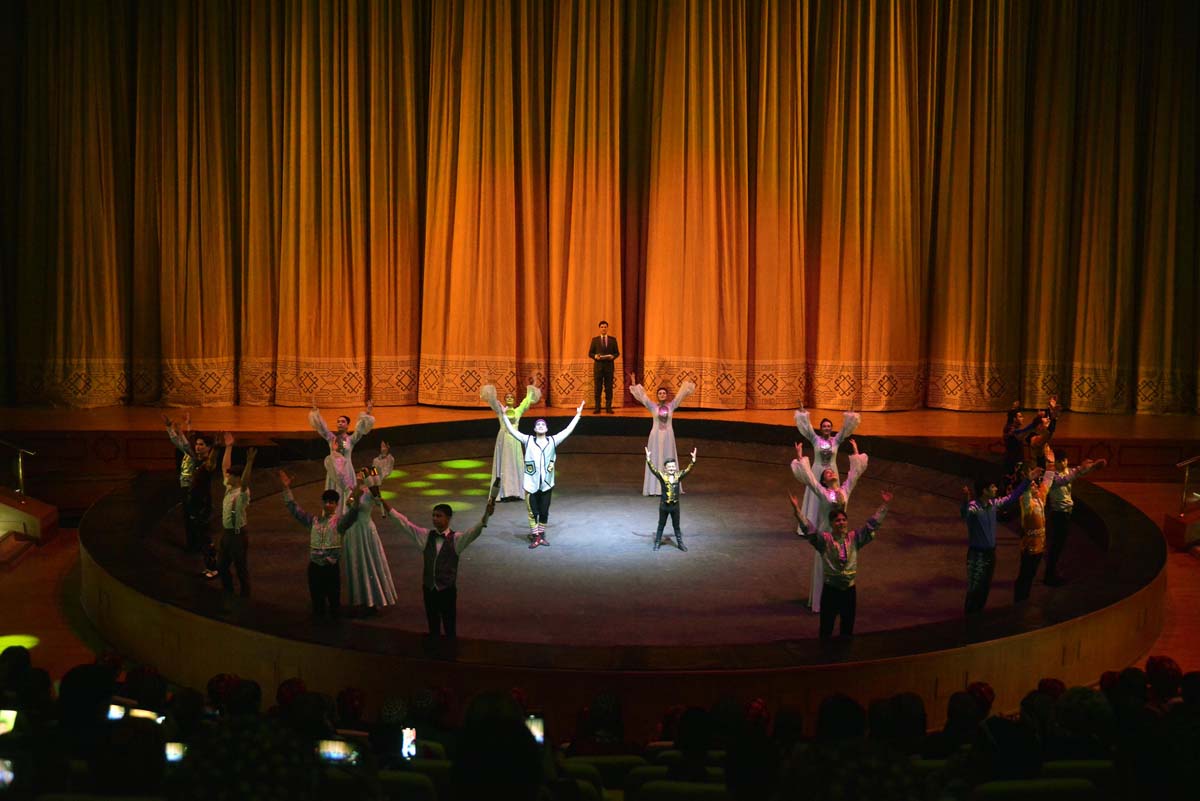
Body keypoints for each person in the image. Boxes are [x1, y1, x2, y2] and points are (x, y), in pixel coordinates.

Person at [380, 498, 497, 638]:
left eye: (439, 516)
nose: (435, 519)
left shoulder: (456, 539)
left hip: (447, 590)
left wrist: (486, 516)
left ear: (448, 518)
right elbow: (405, 525)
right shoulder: (426, 536)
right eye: (433, 515)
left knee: (449, 625)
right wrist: (388, 508)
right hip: (429, 589)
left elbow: (474, 532)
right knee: (432, 624)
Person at [790, 489, 893, 639]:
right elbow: (809, 529)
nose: (842, 522)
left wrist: (885, 505)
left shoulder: (854, 538)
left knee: (847, 626)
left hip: (849, 591)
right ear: (831, 524)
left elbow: (872, 525)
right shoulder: (824, 540)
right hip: (831, 590)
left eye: (844, 520)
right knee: (826, 626)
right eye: (838, 520)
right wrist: (797, 510)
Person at [794, 409, 861, 612]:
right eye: (823, 426)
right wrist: (803, 415)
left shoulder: (836, 441)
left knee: (835, 503)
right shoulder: (815, 440)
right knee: (820, 501)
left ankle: (835, 598)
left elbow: (854, 476)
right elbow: (805, 429)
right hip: (817, 474)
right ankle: (822, 601)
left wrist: (856, 450)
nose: (826, 428)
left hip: (830, 482)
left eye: (828, 426)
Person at [500, 401, 585, 548]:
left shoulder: (553, 441)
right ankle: (536, 536)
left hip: (546, 484)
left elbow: (567, 430)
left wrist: (578, 415)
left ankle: (540, 534)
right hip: (531, 484)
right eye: (537, 425)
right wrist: (503, 415)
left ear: (546, 429)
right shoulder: (528, 440)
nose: (540, 426)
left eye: (542, 425)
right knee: (533, 512)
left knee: (544, 511)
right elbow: (512, 431)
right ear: (534, 429)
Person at [279, 470, 362, 618]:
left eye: (331, 502)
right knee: (317, 604)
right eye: (326, 502)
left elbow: (353, 514)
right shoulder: (314, 521)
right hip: (315, 568)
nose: (328, 505)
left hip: (331, 569)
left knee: (334, 604)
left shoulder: (339, 523)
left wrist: (356, 498)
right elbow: (294, 509)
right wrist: (286, 488)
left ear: (336, 505)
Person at [960, 473, 1028, 614]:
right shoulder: (974, 507)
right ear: (984, 490)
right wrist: (965, 501)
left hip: (990, 554)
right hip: (977, 557)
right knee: (974, 591)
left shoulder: (993, 504)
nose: (996, 489)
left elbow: (1012, 498)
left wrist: (1028, 480)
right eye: (993, 487)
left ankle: (976, 621)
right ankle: (968, 623)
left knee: (984, 589)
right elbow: (965, 514)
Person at [1043, 449, 1106, 585]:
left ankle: (1052, 572)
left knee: (1059, 545)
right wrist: (1079, 469)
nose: (1064, 464)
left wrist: (1094, 466)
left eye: (1065, 460)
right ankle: (1050, 575)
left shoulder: (1066, 471)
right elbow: (1064, 480)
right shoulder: (1050, 475)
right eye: (1060, 461)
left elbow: (1078, 472)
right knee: (1056, 546)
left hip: (1065, 513)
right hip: (1058, 514)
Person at [341, 467, 398, 617]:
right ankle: (360, 599)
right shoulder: (352, 490)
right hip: (354, 531)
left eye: (362, 474)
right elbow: (350, 503)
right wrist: (357, 487)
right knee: (357, 562)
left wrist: (371, 487)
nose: (359, 476)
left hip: (366, 531)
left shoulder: (371, 493)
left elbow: (379, 503)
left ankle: (374, 598)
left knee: (370, 561)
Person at [629, 374, 695, 495]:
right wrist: (633, 382)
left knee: (668, 458)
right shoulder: (652, 406)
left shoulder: (672, 405)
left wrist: (687, 382)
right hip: (655, 436)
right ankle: (655, 488)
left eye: (664, 393)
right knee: (655, 458)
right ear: (657, 396)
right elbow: (642, 397)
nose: (662, 395)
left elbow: (681, 395)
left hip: (668, 436)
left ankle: (670, 486)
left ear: (666, 395)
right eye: (660, 393)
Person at [309, 401, 375, 512]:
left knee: (347, 490)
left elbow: (360, 430)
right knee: (333, 490)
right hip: (334, 470)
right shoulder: (331, 438)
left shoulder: (351, 439)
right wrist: (315, 411)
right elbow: (321, 428)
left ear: (347, 425)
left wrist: (367, 412)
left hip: (347, 470)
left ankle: (346, 514)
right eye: (338, 421)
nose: (340, 423)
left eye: (343, 421)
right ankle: (332, 515)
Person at [481, 382, 542, 501]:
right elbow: (493, 402)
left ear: (514, 400)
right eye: (507, 397)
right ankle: (503, 491)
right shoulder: (501, 411)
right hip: (503, 439)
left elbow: (525, 402)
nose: (509, 398)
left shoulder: (518, 411)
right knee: (504, 464)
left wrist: (530, 392)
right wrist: (490, 392)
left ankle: (516, 491)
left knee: (516, 463)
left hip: (514, 439)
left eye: (511, 397)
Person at [218, 433, 257, 597]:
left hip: (238, 535)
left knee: (241, 567)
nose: (228, 476)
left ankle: (245, 595)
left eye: (232, 475)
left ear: (238, 478)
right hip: (226, 534)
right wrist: (229, 447)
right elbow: (224, 467)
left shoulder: (242, 493)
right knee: (221, 566)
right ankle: (228, 590)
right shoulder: (229, 487)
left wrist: (249, 463)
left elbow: (245, 481)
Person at [646, 446, 697, 551]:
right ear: (665, 468)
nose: (671, 468)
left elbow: (688, 470)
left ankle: (680, 544)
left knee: (676, 526)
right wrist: (648, 459)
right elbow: (653, 470)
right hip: (664, 506)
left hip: (675, 506)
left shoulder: (678, 476)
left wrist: (693, 461)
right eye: (669, 467)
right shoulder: (662, 476)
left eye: (673, 466)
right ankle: (657, 542)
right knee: (661, 525)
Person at [1013, 462, 1049, 603]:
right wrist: (1028, 480)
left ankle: (1024, 598)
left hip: (1040, 547)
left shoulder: (1040, 500)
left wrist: (1050, 466)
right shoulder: (1026, 502)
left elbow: (1047, 482)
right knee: (1025, 575)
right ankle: (1019, 600)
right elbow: (1026, 494)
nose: (1035, 486)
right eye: (1032, 485)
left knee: (1031, 575)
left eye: (1035, 484)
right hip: (1029, 548)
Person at [587, 320, 620, 413]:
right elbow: (590, 353)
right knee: (598, 388)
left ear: (607, 328)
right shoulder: (595, 340)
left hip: (609, 367)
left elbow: (617, 353)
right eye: (602, 327)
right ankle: (597, 407)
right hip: (598, 367)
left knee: (608, 388)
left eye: (605, 327)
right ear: (599, 328)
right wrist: (595, 356)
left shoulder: (613, 340)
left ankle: (608, 407)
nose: (603, 328)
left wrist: (613, 356)